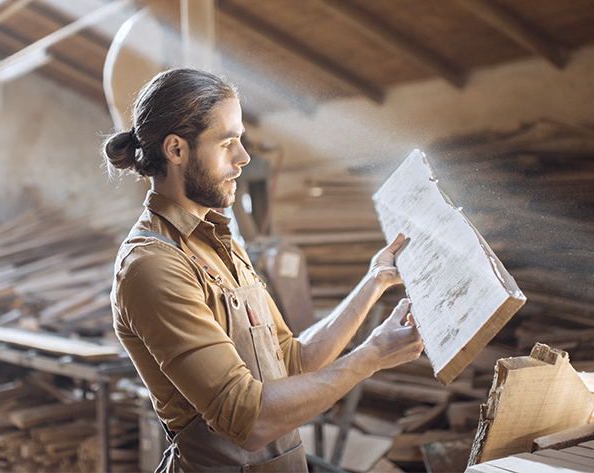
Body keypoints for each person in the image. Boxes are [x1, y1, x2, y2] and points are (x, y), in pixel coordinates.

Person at [102, 68, 424, 472]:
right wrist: (371, 356)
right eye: (227, 143)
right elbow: (247, 419)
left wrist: (375, 281)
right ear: (176, 150)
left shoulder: (221, 242)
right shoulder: (153, 264)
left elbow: (293, 360)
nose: (243, 158)